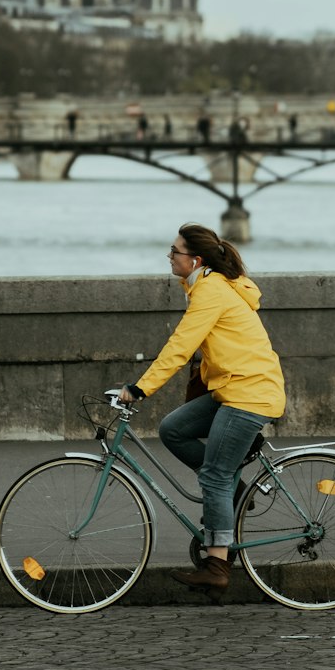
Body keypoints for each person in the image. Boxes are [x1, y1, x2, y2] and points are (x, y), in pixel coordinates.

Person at [119, 223, 286, 601]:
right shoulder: (204, 285)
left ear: (194, 259)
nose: (169, 256)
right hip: (233, 386)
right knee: (173, 429)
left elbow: (180, 346)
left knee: (213, 474)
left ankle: (217, 566)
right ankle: (233, 489)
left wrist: (140, 388)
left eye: (174, 252)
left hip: (249, 392)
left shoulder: (210, 290)